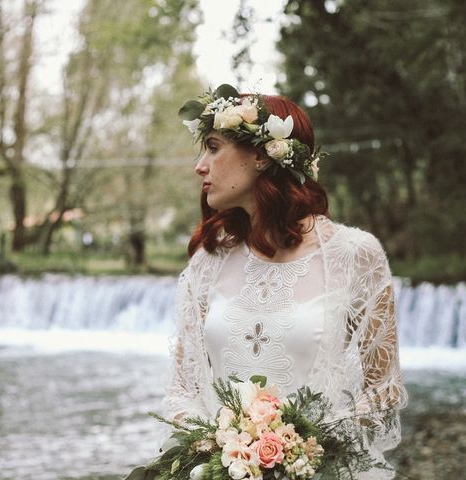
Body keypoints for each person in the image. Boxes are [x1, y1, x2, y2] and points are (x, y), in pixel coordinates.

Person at [162, 84, 408, 478]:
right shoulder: (208, 262)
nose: (199, 166)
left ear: (261, 155)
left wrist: (304, 445)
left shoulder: (356, 255)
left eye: (212, 147)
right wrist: (225, 448)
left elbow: (384, 390)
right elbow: (182, 390)